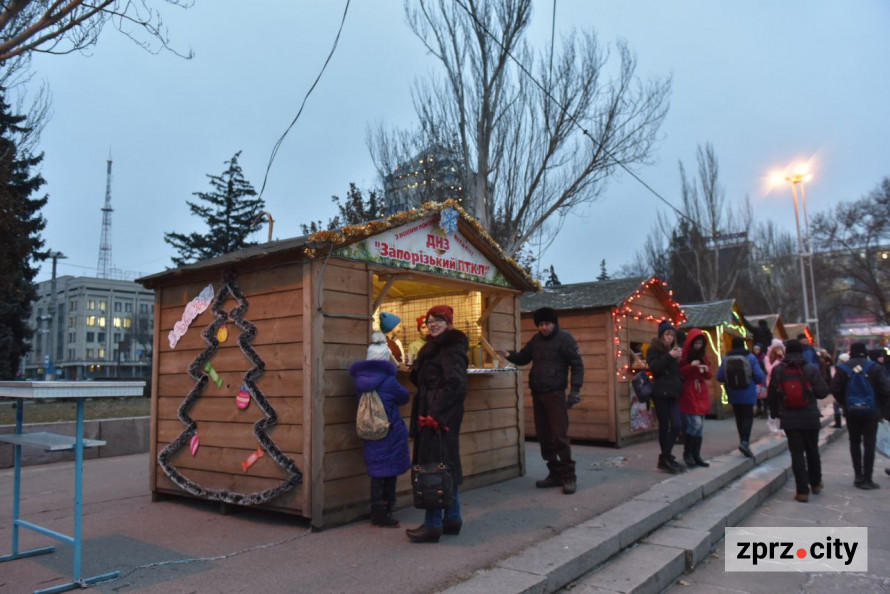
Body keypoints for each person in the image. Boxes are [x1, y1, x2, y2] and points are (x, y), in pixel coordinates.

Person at [496, 307, 584, 494]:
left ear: (555, 323)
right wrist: (509, 354)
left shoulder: (565, 339)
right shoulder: (536, 340)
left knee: (559, 436)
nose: (544, 327)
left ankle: (569, 477)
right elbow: (523, 358)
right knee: (544, 436)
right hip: (538, 393)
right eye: (541, 324)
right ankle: (555, 473)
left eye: (547, 324)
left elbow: (577, 365)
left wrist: (575, 390)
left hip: (555, 394)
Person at [406, 305, 468, 543]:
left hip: (437, 418)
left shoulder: (451, 347)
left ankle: (432, 525)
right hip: (432, 413)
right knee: (446, 464)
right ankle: (452, 518)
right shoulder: (433, 347)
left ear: (448, 323)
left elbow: (457, 384)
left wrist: (436, 414)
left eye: (438, 320)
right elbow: (428, 378)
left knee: (432, 467)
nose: (433, 323)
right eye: (430, 320)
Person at [348, 332, 411, 527]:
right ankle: (386, 510)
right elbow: (404, 397)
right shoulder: (390, 381)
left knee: (377, 472)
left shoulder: (359, 380)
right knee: (389, 471)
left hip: (369, 430)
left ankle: (376, 509)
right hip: (389, 430)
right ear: (386, 359)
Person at [767, 339, 830, 502]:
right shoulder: (811, 368)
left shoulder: (779, 370)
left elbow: (772, 394)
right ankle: (816, 483)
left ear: (786, 351)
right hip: (810, 417)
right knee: (812, 451)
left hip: (789, 418)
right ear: (802, 351)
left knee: (796, 454)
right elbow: (823, 392)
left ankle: (802, 491)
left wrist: (774, 413)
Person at [831, 342, 890, 490]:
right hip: (871, 412)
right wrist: (879, 407)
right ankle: (868, 478)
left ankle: (858, 476)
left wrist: (845, 403)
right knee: (869, 444)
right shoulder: (874, 367)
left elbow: (835, 389)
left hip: (852, 412)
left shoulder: (843, 368)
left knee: (854, 442)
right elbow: (886, 390)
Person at [647, 320, 685, 474]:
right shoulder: (653, 349)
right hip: (660, 392)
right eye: (667, 334)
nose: (670, 337)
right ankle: (666, 458)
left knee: (677, 425)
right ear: (661, 335)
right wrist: (669, 356)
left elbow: (675, 371)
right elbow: (655, 368)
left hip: (673, 392)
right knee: (664, 426)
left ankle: (665, 456)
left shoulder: (673, 349)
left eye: (672, 334)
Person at [717, 336, 765, 458]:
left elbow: (720, 377)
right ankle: (745, 442)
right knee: (748, 418)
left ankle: (742, 441)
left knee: (739, 418)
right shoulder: (750, 357)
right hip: (748, 392)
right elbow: (759, 376)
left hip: (733, 393)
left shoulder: (726, 358)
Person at [678, 328, 712, 468]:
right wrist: (691, 367)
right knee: (695, 423)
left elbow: (709, 376)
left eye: (700, 343)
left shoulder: (704, 356)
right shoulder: (684, 356)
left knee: (700, 426)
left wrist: (705, 370)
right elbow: (680, 372)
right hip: (689, 390)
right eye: (696, 343)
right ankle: (688, 453)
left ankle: (696, 454)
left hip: (700, 391)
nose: (698, 346)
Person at [751, 343, 768, 418]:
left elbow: (766, 368)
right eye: (755, 349)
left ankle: (765, 410)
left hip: (763, 378)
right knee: (757, 395)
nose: (756, 351)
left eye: (757, 349)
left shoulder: (764, 357)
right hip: (755, 378)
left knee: (764, 395)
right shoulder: (752, 357)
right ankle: (758, 409)